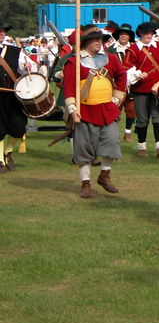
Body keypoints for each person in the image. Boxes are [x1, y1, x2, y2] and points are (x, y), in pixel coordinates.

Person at [62, 26, 127, 198]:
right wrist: (72, 109)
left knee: (112, 142)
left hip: (107, 109)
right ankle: (85, 183)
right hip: (85, 110)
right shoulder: (73, 62)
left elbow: (122, 75)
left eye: (102, 39)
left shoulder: (111, 59)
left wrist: (116, 98)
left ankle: (104, 176)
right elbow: (68, 88)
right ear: (86, 42)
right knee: (83, 149)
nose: (100, 42)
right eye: (96, 39)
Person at [129, 22, 159, 158]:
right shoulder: (133, 49)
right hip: (140, 88)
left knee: (158, 117)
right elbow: (127, 68)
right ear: (140, 34)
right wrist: (137, 74)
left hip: (157, 88)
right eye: (146, 33)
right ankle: (142, 146)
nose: (148, 35)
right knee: (142, 119)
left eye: (151, 33)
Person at [0, 19, 37, 172]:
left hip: (14, 95)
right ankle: (0, 161)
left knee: (18, 127)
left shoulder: (15, 51)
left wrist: (28, 66)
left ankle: (7, 152)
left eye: (2, 31)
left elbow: (29, 68)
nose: (1, 34)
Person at [107, 23, 138, 143]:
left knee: (131, 111)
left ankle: (127, 133)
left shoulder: (135, 49)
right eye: (121, 34)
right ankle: (113, 134)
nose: (123, 36)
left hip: (132, 84)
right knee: (114, 110)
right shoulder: (111, 49)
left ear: (130, 36)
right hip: (115, 85)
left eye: (126, 34)